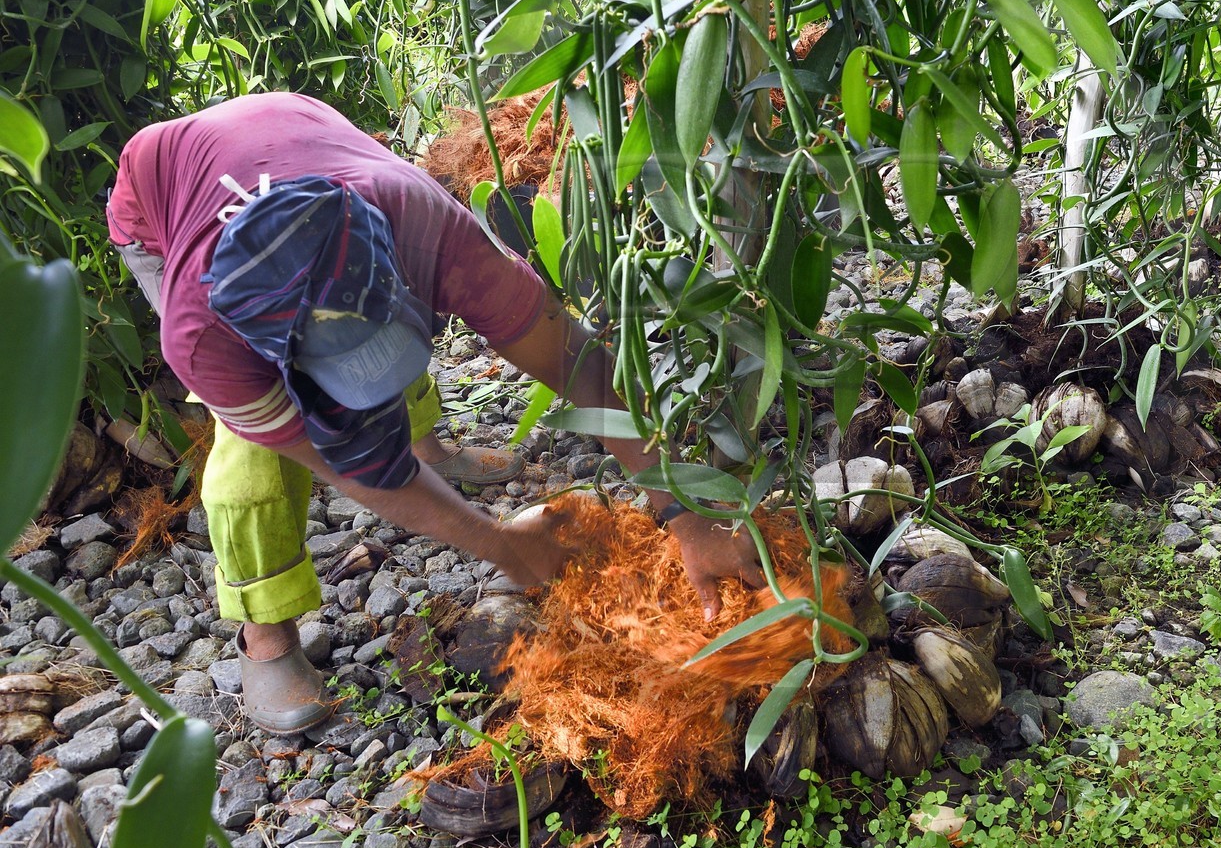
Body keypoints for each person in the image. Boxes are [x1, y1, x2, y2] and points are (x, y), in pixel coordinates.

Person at [107, 93, 761, 734]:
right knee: (260, 453)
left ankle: (427, 443)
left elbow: (574, 359)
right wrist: (498, 543)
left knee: (383, 345)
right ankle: (265, 634)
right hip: (159, 201)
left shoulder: (418, 219)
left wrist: (684, 510)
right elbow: (339, 462)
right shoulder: (206, 337)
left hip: (292, 128)